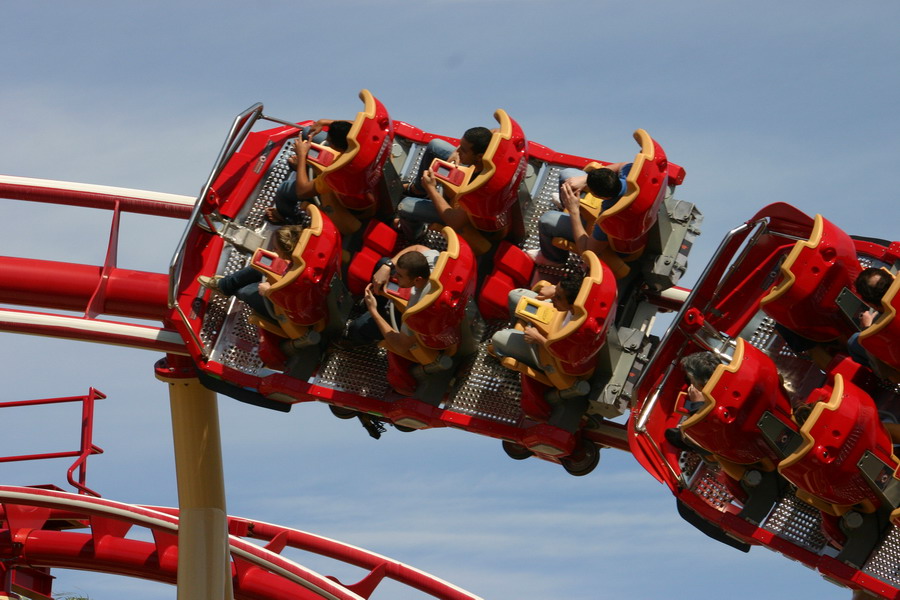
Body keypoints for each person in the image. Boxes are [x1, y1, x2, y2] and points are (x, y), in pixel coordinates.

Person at [396, 127, 492, 241]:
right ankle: (418, 190)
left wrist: (431, 189)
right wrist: (457, 151)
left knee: (405, 205)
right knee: (434, 145)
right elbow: (493, 131)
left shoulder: (481, 190)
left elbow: (455, 222)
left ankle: (416, 234)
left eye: (464, 150)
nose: (459, 151)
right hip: (471, 171)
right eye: (460, 145)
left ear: (480, 156)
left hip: (460, 215)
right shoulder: (492, 150)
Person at [529, 162, 631, 266]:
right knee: (567, 174)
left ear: (599, 196)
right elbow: (620, 166)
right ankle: (565, 203)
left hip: (613, 241)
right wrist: (584, 179)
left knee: (546, 220)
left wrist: (574, 211)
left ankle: (553, 259)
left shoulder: (607, 221)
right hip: (630, 214)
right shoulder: (631, 173)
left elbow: (587, 251)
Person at [198, 225, 305, 321]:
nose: (273, 249)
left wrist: (269, 292)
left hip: (288, 311)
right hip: (286, 282)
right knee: (260, 266)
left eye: (276, 248)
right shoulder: (303, 258)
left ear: (287, 250)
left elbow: (295, 303)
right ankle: (223, 285)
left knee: (244, 291)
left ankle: (230, 288)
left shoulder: (301, 278)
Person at [341, 245, 441, 349]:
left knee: (358, 327)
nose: (394, 277)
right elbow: (417, 248)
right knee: (383, 263)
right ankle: (368, 305)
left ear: (417, 280)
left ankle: (357, 340)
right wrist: (387, 266)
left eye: (400, 276)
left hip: (402, 320)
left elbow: (401, 346)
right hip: (407, 297)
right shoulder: (432, 263)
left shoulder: (416, 312)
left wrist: (373, 311)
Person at [489, 272, 584, 372]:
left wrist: (538, 339)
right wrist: (554, 289)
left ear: (573, 304)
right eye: (556, 292)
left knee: (498, 338)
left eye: (558, 297)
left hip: (551, 352)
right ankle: (515, 335)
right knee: (515, 295)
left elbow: (568, 356)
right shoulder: (582, 298)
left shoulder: (579, 332)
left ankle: (503, 350)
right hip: (559, 315)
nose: (553, 297)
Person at [266, 120, 353, 224]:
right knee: (307, 131)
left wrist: (302, 155)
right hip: (352, 174)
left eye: (329, 141)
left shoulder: (334, 173)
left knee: (283, 189)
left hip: (337, 196)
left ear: (336, 146)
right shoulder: (365, 137)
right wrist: (324, 122)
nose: (326, 139)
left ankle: (289, 218)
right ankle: (303, 169)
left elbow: (302, 192)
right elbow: (354, 124)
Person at [848, 267, 896, 373]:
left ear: (871, 304)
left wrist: (866, 330)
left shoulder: (873, 335)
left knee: (853, 341)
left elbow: (882, 372)